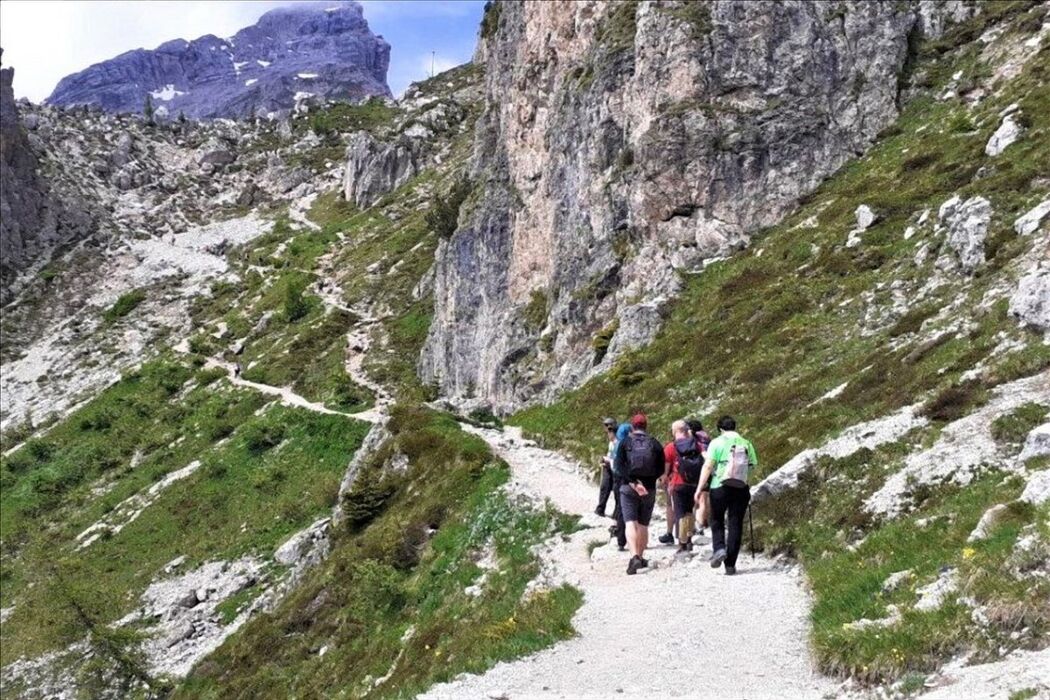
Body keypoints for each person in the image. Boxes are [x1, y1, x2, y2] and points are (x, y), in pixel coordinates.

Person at [695, 415, 757, 575]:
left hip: (719, 486)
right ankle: (730, 565)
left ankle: (719, 548)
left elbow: (708, 466)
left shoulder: (716, 443)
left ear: (720, 428)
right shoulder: (747, 443)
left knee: (716, 520)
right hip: (741, 488)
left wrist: (700, 488)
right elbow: (752, 466)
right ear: (734, 427)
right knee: (735, 523)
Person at [614, 413, 665, 575]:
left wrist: (634, 482)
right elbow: (661, 469)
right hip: (649, 489)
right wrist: (648, 482)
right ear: (646, 425)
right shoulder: (655, 444)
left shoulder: (625, 442)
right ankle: (641, 557)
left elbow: (618, 466)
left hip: (628, 487)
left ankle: (634, 556)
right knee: (643, 524)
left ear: (632, 426)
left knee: (630, 522)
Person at [663, 420, 704, 554]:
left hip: (678, 483)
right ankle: (690, 539)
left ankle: (682, 544)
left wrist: (665, 480)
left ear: (675, 431)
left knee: (679, 513)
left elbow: (666, 468)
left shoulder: (671, 447)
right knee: (689, 511)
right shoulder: (696, 444)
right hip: (693, 483)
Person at [686, 418, 711, 535]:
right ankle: (700, 524)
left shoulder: (691, 439)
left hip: (693, 472)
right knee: (703, 500)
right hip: (707, 471)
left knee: (691, 501)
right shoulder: (707, 439)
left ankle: (692, 527)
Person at [611, 423, 631, 551]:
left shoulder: (618, 446)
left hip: (621, 480)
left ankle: (621, 541)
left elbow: (615, 466)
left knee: (621, 509)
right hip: (637, 479)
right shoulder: (635, 444)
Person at [595, 418, 619, 518]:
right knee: (605, 487)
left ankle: (617, 514)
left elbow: (617, 457)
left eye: (608, 426)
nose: (606, 430)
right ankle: (600, 508)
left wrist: (609, 460)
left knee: (617, 491)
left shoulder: (618, 441)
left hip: (616, 469)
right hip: (608, 468)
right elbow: (610, 453)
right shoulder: (611, 442)